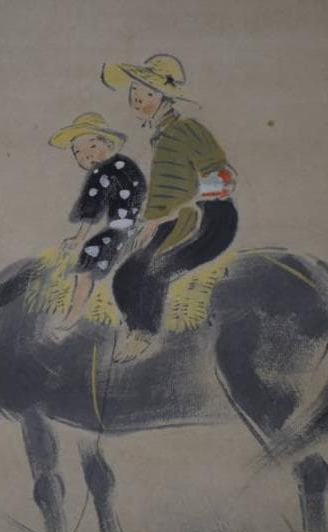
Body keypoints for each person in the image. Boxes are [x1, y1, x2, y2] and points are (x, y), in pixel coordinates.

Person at [100, 54, 238, 361]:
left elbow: (224, 177)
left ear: (165, 96)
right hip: (178, 220)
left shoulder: (187, 129)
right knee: (125, 277)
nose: (138, 97)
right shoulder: (161, 136)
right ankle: (137, 330)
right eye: (135, 89)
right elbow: (167, 190)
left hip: (209, 219)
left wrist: (178, 211)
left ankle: (144, 334)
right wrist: (151, 219)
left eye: (148, 92)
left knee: (152, 273)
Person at [49, 112, 146, 329]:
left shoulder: (102, 170)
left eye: (91, 146)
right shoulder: (124, 163)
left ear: (107, 144)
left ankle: (74, 314)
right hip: (134, 224)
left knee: (89, 255)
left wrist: (78, 238)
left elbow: (92, 208)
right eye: (77, 152)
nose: (85, 155)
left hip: (126, 228)